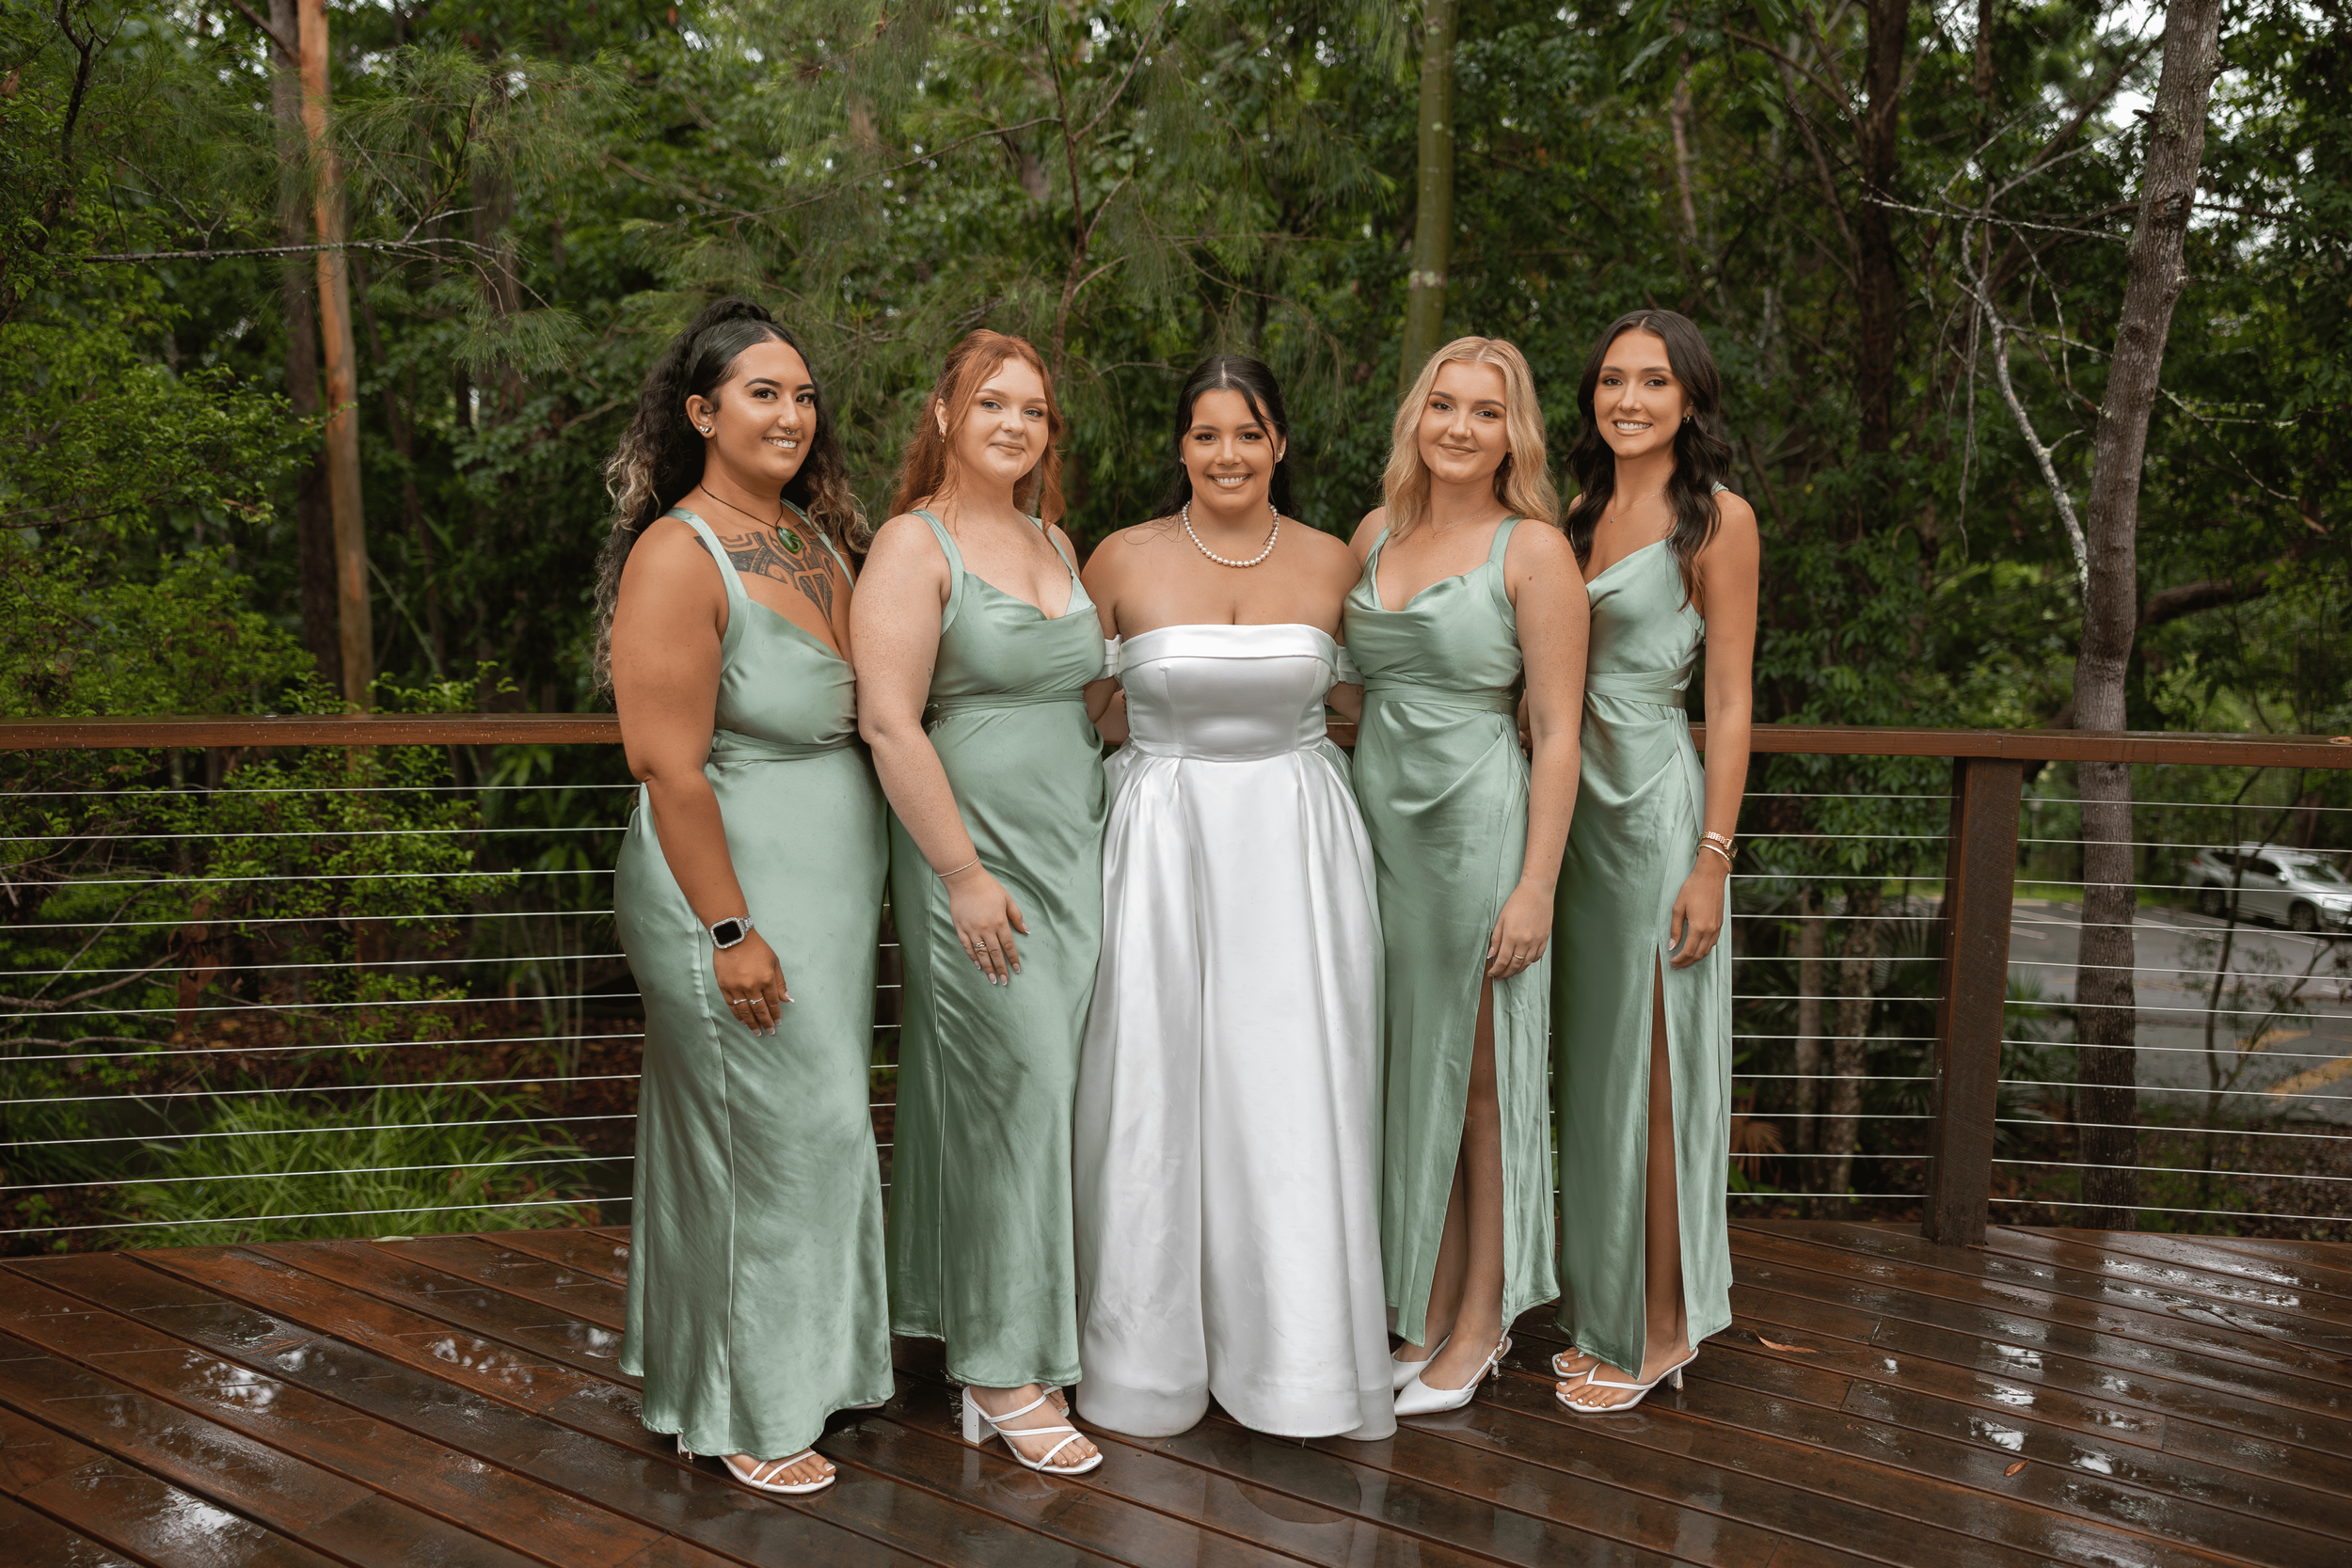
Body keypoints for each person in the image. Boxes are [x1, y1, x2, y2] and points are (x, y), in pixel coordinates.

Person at [1072, 354, 1394, 1443]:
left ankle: (1295, 1360)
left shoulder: (1335, 561)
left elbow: (1364, 701)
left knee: (1287, 1086)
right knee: (1154, 1084)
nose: (1226, 454)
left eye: (1247, 434)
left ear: (1280, 445)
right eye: (1206, 434)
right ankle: (1144, 1362)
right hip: (1162, 841)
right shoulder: (1118, 556)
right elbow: (1078, 703)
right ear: (1180, 446)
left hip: (1297, 848)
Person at [601, 297, 885, 1497]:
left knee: (781, 1138)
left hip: (823, 890)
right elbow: (667, 764)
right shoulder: (680, 551)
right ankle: (751, 1410)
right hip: (723, 893)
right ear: (702, 412)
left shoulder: (819, 542)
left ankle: (752, 1374)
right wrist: (729, 929)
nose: (790, 412)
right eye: (762, 392)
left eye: (803, 393)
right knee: (778, 1136)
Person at [852, 330, 1108, 1476]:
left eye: (1035, 409)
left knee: (1042, 1094)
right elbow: (888, 720)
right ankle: (1004, 1365)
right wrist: (958, 872)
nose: (1016, 422)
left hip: (1073, 849)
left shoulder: (1056, 538)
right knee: (1018, 1084)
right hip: (977, 859)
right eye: (992, 402)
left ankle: (987, 1315)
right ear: (943, 411)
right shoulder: (915, 544)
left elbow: (1091, 696)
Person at [1344, 337, 1587, 1417]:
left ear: (1512, 433)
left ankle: (1485, 1324)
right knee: (1410, 1069)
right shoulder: (1374, 534)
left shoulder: (1532, 549)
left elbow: (1559, 731)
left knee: (1484, 1081)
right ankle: (1429, 1303)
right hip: (1376, 823)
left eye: (1484, 413)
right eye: (1442, 405)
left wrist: (1535, 884)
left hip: (1477, 823)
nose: (1457, 427)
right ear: (1416, 415)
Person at [1549, 309, 1758, 1414]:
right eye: (1612, 381)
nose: (1628, 400)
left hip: (1651, 814)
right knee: (1589, 1072)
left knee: (1657, 1067)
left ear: (1689, 398)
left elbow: (1727, 700)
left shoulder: (1716, 519)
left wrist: (1711, 858)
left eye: (1653, 382)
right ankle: (1603, 1307)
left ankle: (1664, 1325)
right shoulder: (1572, 511)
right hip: (1559, 814)